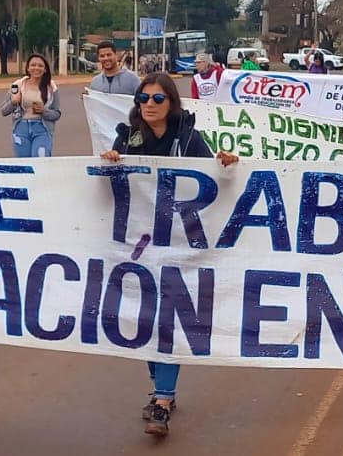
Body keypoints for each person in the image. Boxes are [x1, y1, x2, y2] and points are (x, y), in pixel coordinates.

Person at [99, 72, 239, 437]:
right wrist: (112, 161)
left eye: (158, 99)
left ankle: (161, 401)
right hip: (139, 245)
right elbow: (110, 185)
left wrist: (225, 165)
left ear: (172, 103)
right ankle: (161, 386)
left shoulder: (190, 139)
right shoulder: (126, 138)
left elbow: (214, 177)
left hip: (180, 244)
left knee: (167, 319)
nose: (148, 104)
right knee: (145, 318)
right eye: (143, 98)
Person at [1, 54, 62, 157]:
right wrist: (14, 102)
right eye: (33, 65)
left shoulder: (51, 88)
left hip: (42, 129)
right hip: (21, 128)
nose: (36, 68)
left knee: (40, 160)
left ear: (45, 69)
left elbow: (57, 113)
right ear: (28, 68)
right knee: (24, 164)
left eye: (40, 66)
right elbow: (4, 111)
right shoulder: (17, 85)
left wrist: (44, 111)